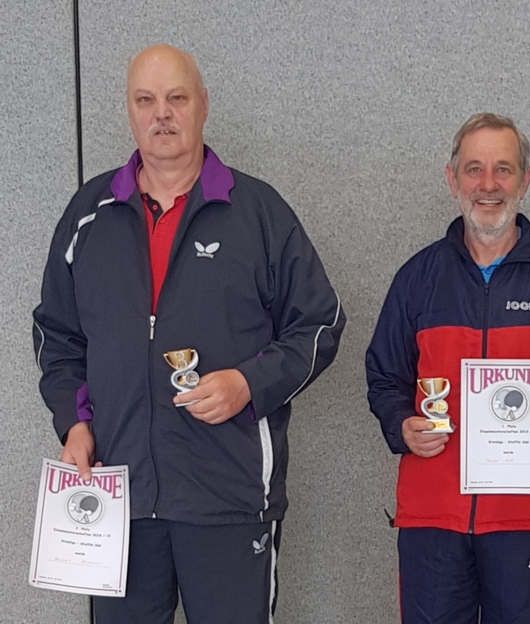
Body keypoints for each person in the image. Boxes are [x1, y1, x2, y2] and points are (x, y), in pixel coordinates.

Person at [32, 44, 345, 623]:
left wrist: (249, 384)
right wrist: (75, 424)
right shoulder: (88, 215)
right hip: (118, 496)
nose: (162, 114)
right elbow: (58, 335)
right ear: (129, 110)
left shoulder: (258, 212)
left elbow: (320, 323)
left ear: (203, 104)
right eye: (145, 100)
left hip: (228, 496)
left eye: (176, 97)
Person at [366, 112, 530, 623]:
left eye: (503, 169)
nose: (488, 184)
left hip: (526, 513)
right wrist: (401, 425)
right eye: (474, 169)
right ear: (452, 179)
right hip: (433, 514)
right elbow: (384, 377)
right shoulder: (417, 278)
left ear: (526, 180)